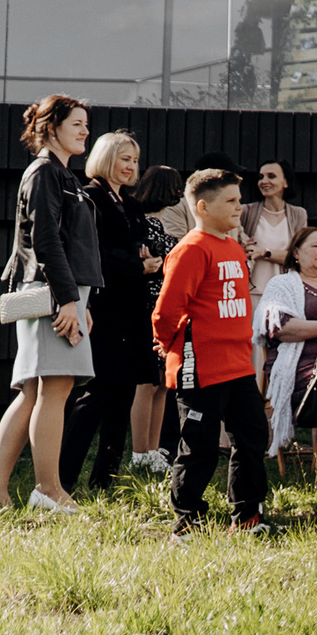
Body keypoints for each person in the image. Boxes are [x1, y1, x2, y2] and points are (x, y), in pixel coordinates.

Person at [0, 94, 99, 515]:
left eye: (86, 123)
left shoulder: (62, 175)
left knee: (33, 392)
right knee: (54, 388)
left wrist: (81, 302)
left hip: (63, 296)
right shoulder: (45, 172)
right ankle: (48, 490)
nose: (85, 130)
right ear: (51, 127)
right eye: (76, 123)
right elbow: (45, 240)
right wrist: (68, 300)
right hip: (52, 295)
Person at [149, 169, 272, 534]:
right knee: (199, 446)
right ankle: (187, 521)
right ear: (203, 207)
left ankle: (247, 517)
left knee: (252, 437)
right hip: (201, 366)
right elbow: (166, 311)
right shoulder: (191, 249)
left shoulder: (233, 247)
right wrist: (168, 345)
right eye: (230, 201)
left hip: (238, 366)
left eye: (239, 199)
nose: (239, 206)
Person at [59, 129, 154, 494]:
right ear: (105, 158)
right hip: (102, 307)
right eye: (124, 159)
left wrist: (142, 259)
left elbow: (139, 246)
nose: (131, 166)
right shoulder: (91, 198)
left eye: (135, 160)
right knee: (96, 393)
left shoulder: (130, 203)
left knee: (123, 394)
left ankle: (105, 482)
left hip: (131, 308)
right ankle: (63, 479)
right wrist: (136, 263)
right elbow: (92, 253)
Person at [258, 224, 317, 476]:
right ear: (296, 253)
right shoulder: (281, 284)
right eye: (315, 246)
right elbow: (281, 327)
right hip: (299, 361)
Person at [125, 163, 183, 473]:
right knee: (147, 382)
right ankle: (139, 452)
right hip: (148, 307)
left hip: (162, 307)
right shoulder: (146, 224)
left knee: (161, 381)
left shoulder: (157, 223)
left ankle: (154, 448)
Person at [239, 160, 308, 298]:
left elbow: (300, 257)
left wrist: (264, 252)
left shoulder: (298, 215)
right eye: (261, 177)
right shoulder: (245, 212)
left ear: (286, 182)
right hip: (251, 293)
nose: (264, 181)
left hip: (284, 294)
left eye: (271, 176)